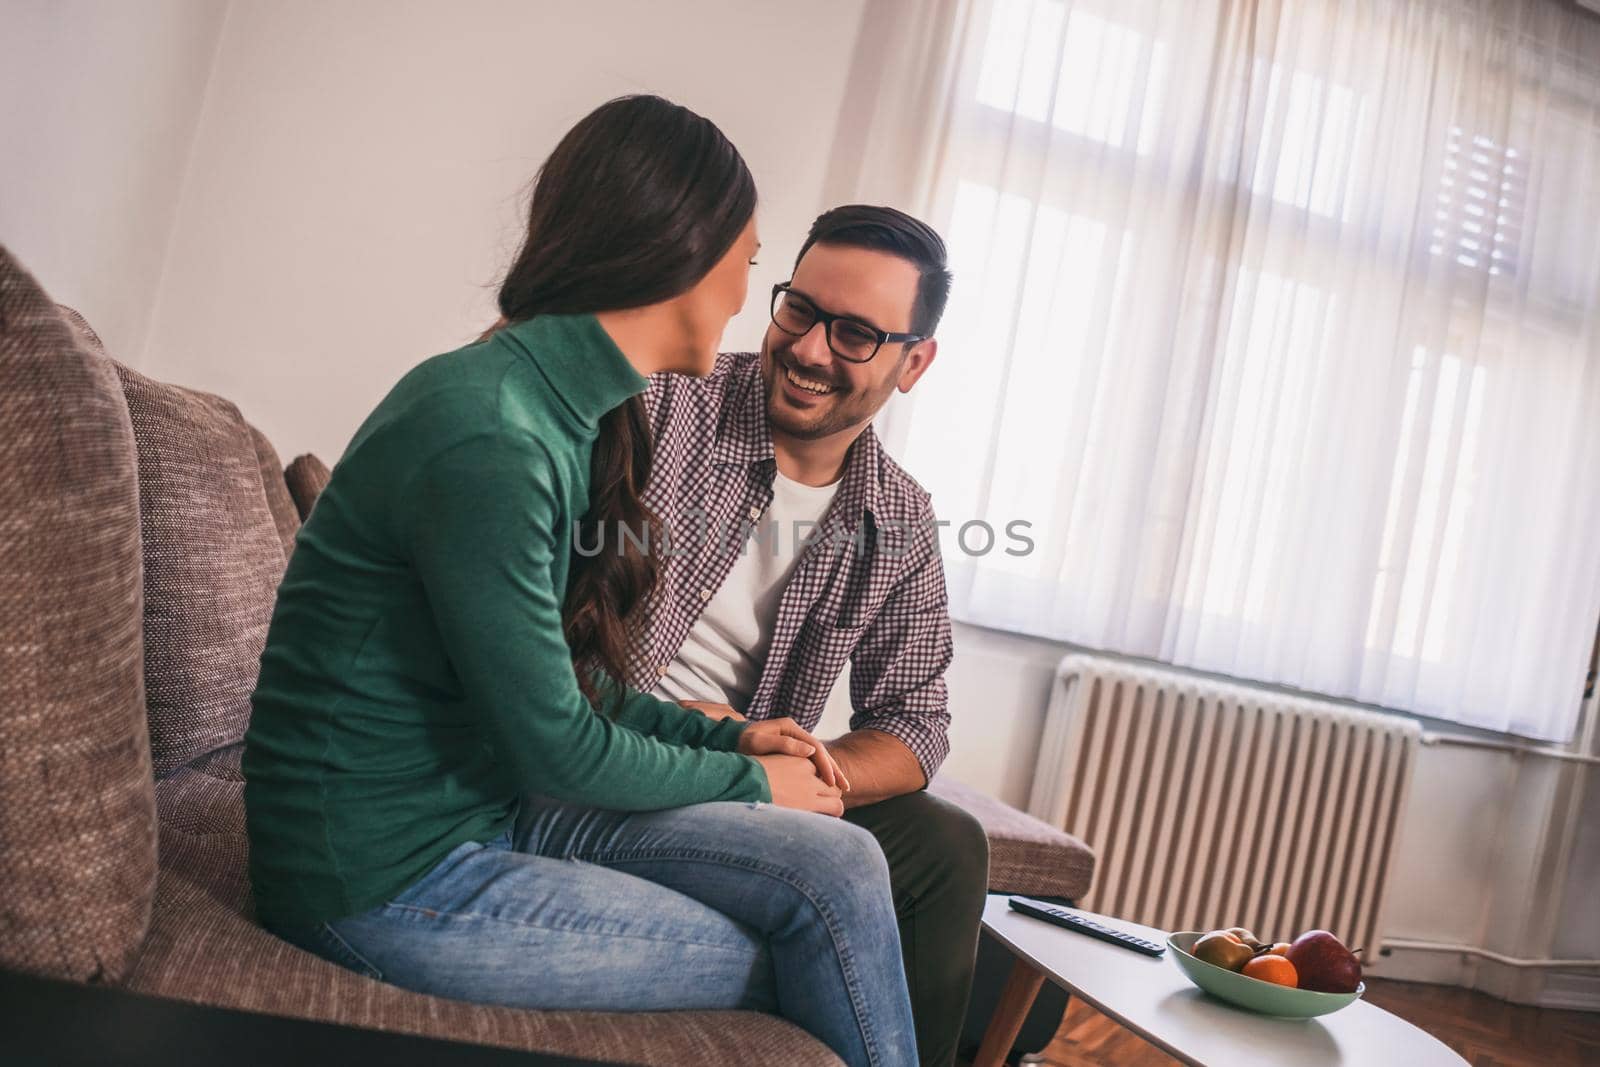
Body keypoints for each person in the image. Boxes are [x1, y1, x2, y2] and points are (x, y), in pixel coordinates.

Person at [242, 96, 916, 1067]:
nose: (742, 300)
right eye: (749, 263)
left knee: (843, 861)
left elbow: (553, 683)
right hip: (376, 879)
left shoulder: (558, 410)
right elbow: (556, 745)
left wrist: (721, 731)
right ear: (678, 252)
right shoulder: (492, 431)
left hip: (479, 803)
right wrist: (749, 781)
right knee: (794, 944)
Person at [613, 204, 986, 1067]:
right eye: (801, 310)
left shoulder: (897, 514)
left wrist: (813, 775)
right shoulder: (664, 405)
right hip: (618, 750)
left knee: (942, 843)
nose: (812, 350)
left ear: (914, 361)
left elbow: (916, 723)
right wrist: (708, 739)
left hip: (747, 779)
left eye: (856, 333)